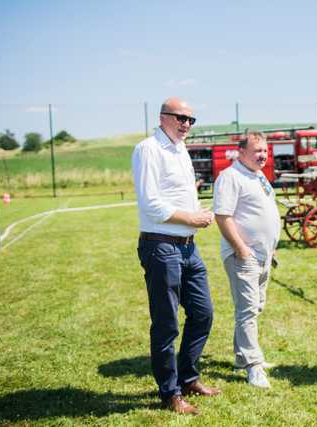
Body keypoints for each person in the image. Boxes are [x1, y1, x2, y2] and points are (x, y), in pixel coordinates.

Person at [132, 97, 220, 415]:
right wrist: (192, 218)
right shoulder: (148, 149)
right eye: (180, 118)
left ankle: (188, 378)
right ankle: (170, 393)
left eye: (190, 120)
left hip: (187, 247)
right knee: (167, 324)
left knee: (203, 313)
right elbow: (150, 203)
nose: (186, 124)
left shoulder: (179, 149)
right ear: (163, 117)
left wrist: (197, 214)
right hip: (161, 246)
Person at [213, 131, 281, 389]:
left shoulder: (257, 174)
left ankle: (243, 356)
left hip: (263, 254)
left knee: (255, 307)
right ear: (241, 152)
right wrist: (241, 248)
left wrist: (271, 248)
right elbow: (222, 216)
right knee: (248, 310)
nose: (262, 155)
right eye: (257, 151)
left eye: (265, 151)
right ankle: (254, 366)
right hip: (244, 255)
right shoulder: (230, 177)